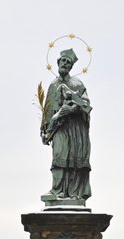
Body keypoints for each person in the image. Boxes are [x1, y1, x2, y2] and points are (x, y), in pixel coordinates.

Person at [40, 48, 91, 203]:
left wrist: (73, 108)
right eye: (63, 61)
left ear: (71, 67)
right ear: (58, 62)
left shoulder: (77, 83)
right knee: (59, 156)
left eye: (68, 63)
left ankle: (74, 193)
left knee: (74, 158)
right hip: (59, 127)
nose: (65, 64)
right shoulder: (53, 85)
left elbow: (86, 103)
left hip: (75, 128)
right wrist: (44, 130)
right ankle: (57, 190)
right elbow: (47, 110)